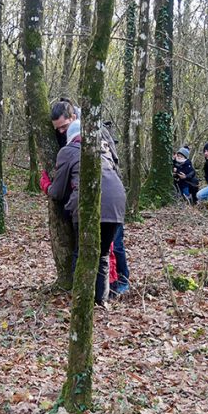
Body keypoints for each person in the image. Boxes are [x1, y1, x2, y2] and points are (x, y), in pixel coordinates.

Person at [46, 99, 130, 296]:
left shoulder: (95, 132)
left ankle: (105, 288)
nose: (60, 132)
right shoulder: (69, 137)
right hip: (114, 197)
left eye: (63, 127)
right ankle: (102, 298)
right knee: (101, 253)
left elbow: (57, 189)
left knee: (98, 249)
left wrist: (47, 185)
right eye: (57, 129)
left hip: (100, 196)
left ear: (73, 117)